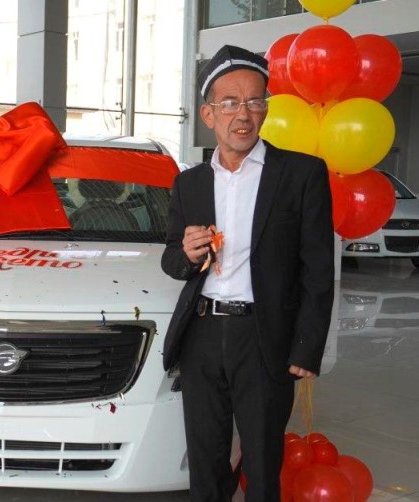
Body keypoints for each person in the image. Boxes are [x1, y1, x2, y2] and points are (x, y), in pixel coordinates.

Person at [161, 45, 335, 501]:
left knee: (261, 460)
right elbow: (173, 261)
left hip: (264, 338)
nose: (243, 114)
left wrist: (307, 346)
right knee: (205, 457)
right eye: (230, 103)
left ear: (266, 109)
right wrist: (187, 253)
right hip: (201, 334)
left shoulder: (301, 174)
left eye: (255, 101)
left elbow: (318, 270)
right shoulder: (190, 183)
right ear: (208, 114)